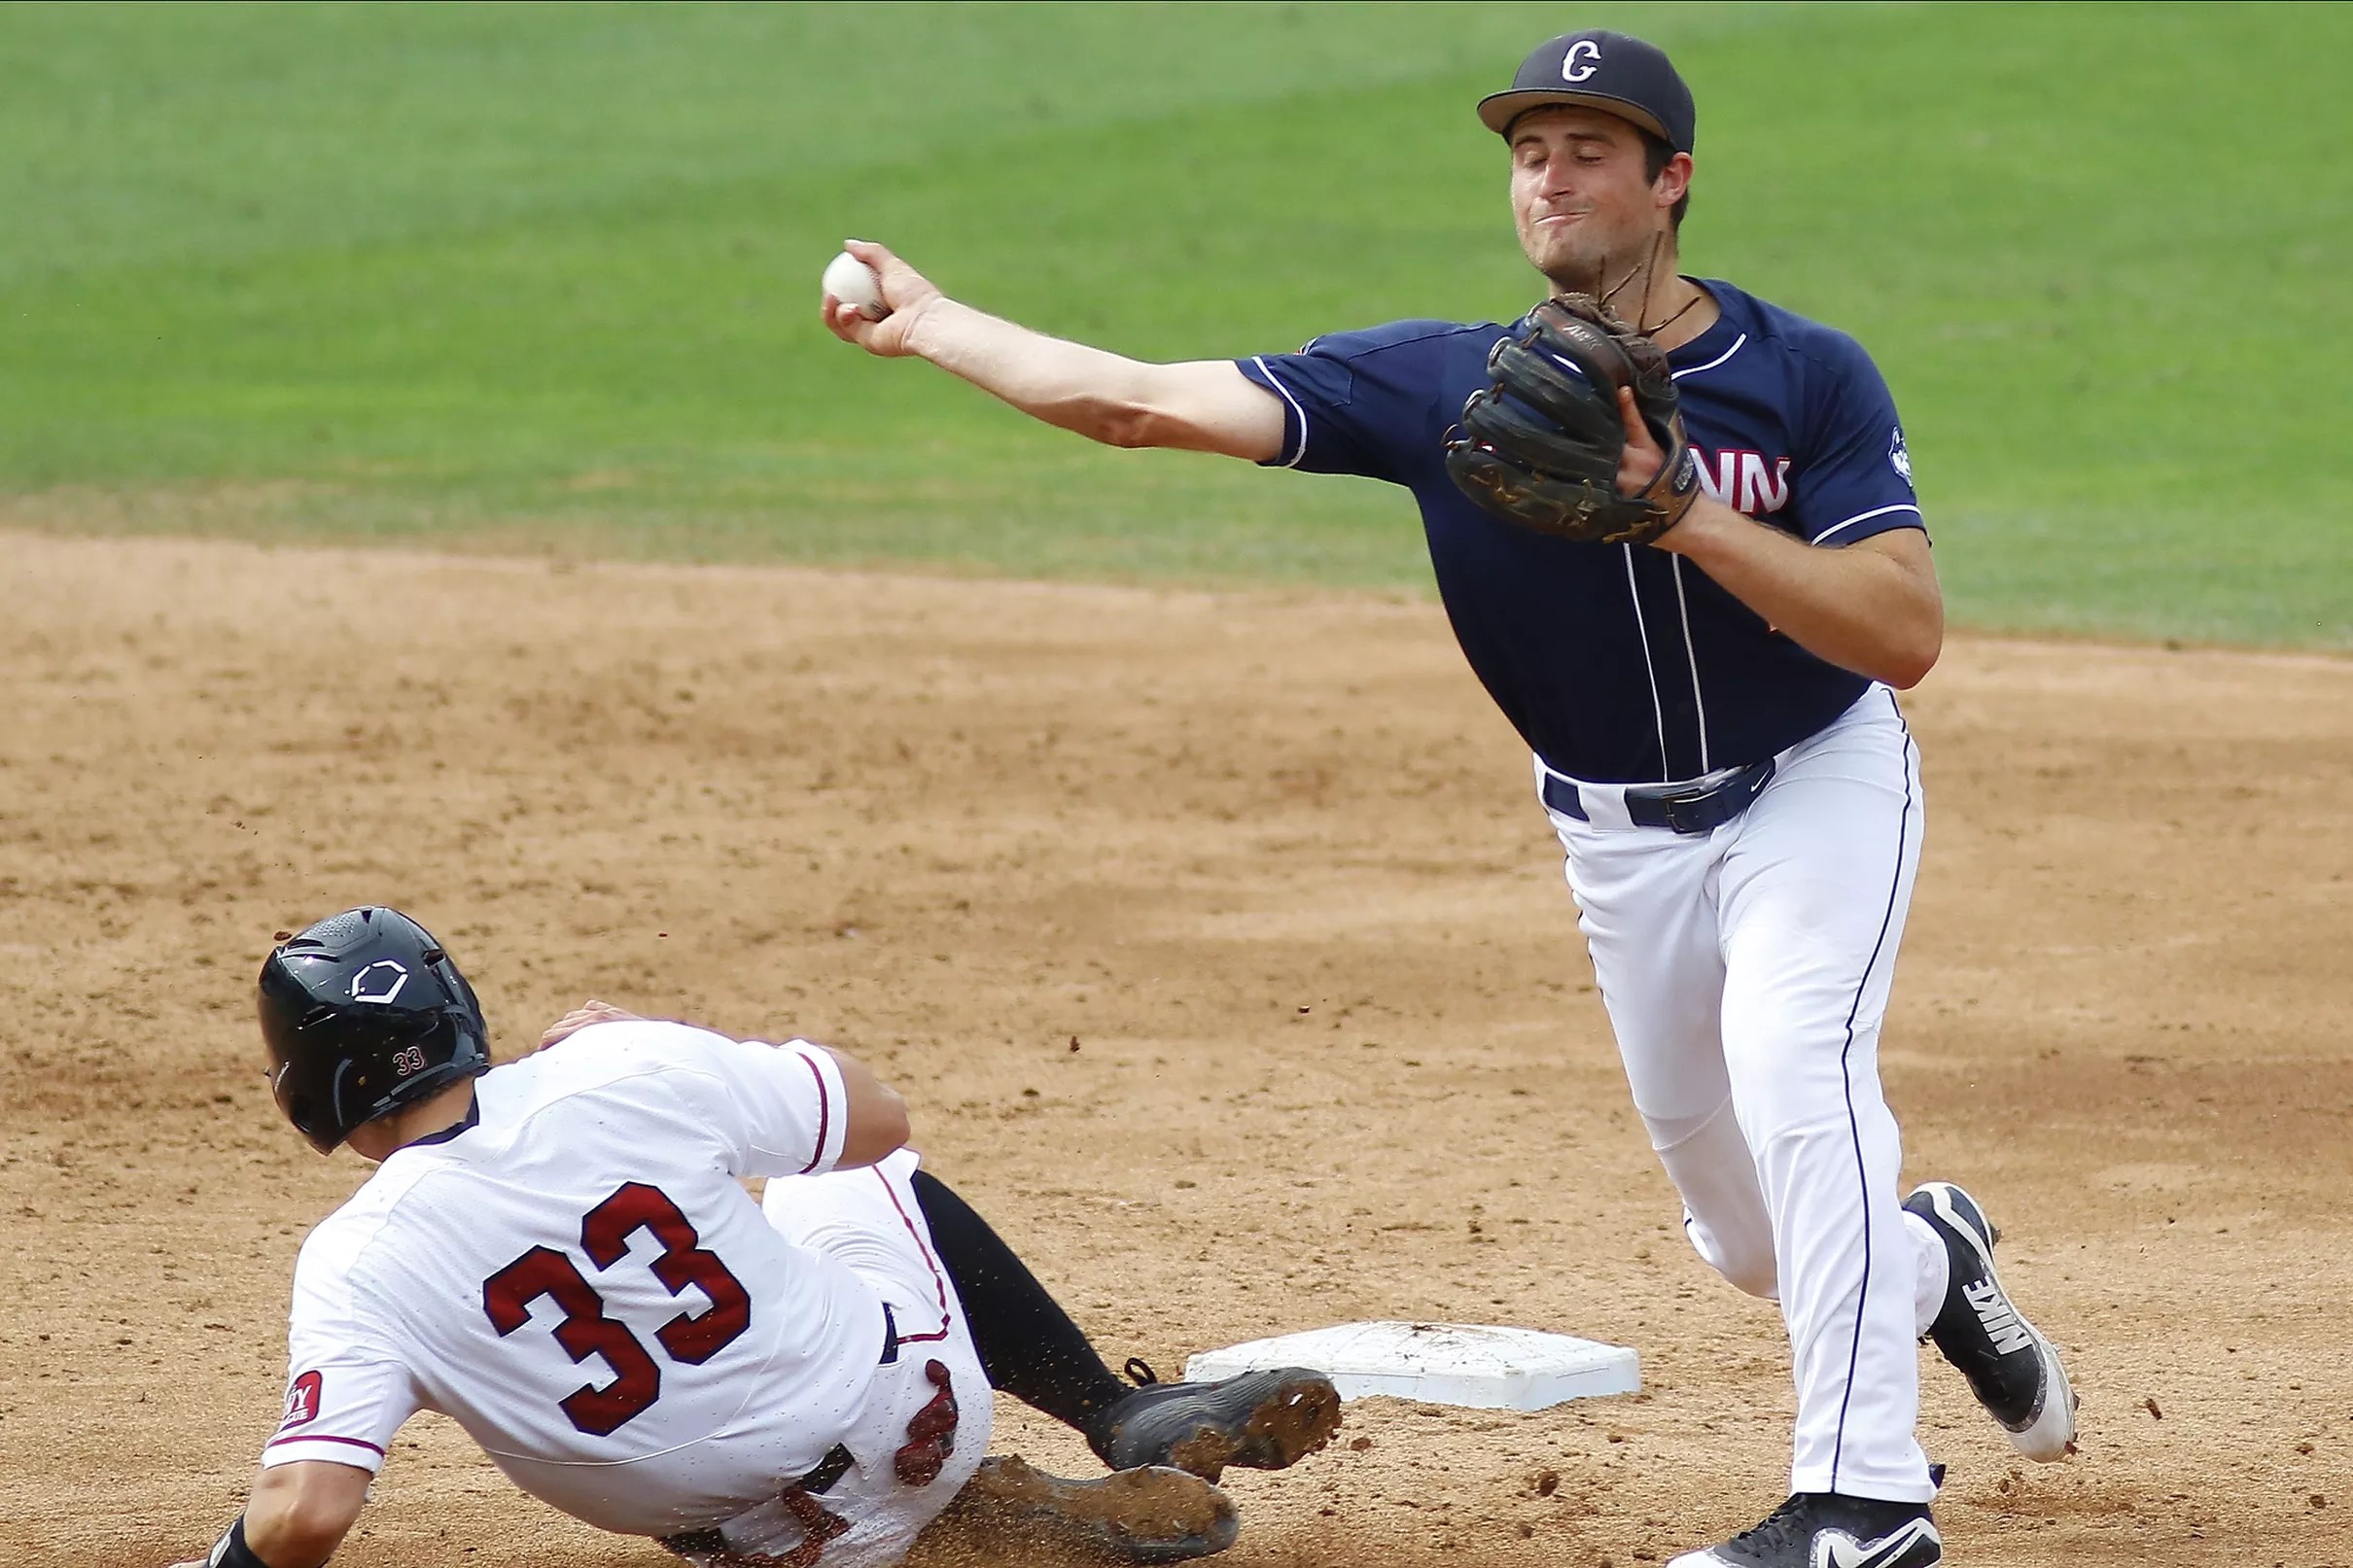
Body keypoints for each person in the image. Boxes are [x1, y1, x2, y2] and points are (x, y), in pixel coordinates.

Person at [820, 27, 2074, 1568]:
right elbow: (1137, 400)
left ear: (1671, 182)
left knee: (1799, 1067)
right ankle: (1926, 1258)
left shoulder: (1800, 375)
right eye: (1530, 152)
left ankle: (1864, 1507)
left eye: (1591, 150)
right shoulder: (1437, 387)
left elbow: (1904, 634)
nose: (1551, 177)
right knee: (1755, 1240)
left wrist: (1679, 514)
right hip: (1616, 838)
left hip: (1811, 785)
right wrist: (939, 323)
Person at [174, 906, 1339, 1568]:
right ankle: (1105, 1412)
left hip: (771, 1549)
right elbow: (874, 1112)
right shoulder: (615, 1068)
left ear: (309, 1085)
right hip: (920, 1417)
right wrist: (670, 1044)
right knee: (859, 1163)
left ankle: (975, 1530)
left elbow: (307, 1511)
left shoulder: (354, 1262)